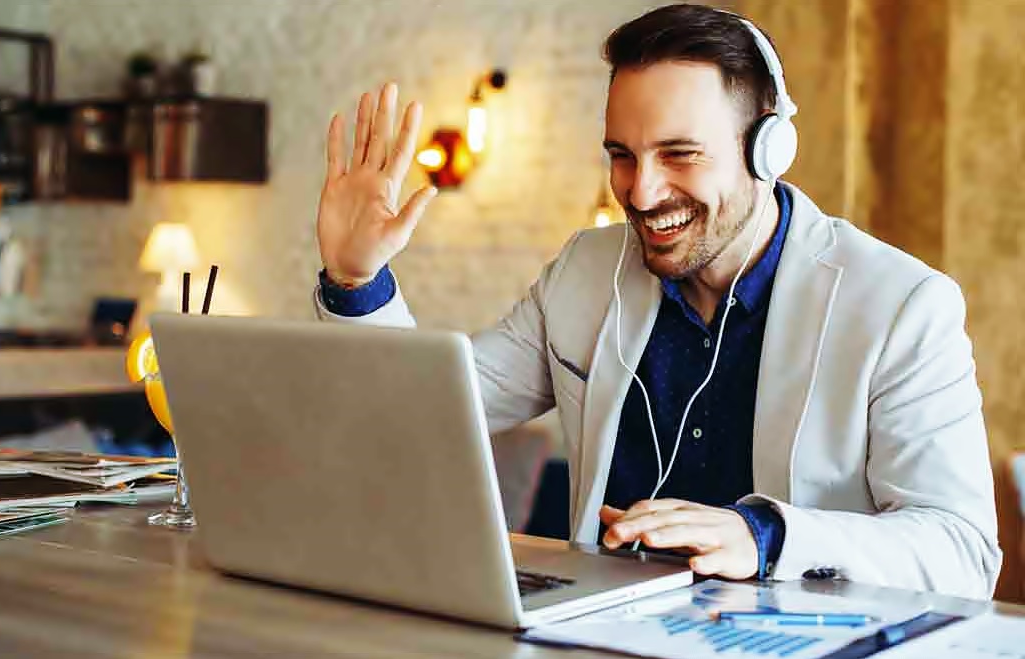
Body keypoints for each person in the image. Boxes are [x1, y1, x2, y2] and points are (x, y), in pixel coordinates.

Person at [311, 3, 1000, 598]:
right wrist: (356, 276)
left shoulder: (903, 305)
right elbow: (424, 412)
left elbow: (962, 550)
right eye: (622, 154)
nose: (640, 193)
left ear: (767, 149)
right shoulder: (583, 270)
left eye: (678, 154)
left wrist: (765, 535)